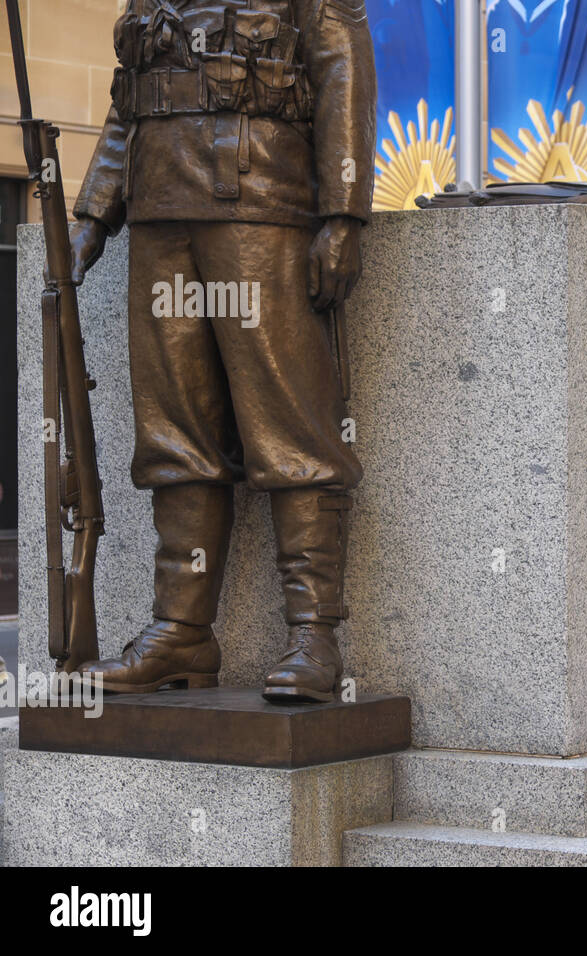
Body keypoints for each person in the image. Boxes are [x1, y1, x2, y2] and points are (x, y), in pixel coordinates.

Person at [66, 0, 377, 702]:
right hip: (158, 213)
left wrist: (344, 212)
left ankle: (313, 636)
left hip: (264, 205)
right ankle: (181, 631)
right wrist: (93, 212)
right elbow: (134, 97)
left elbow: (342, 70)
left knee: (291, 428)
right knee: (174, 435)